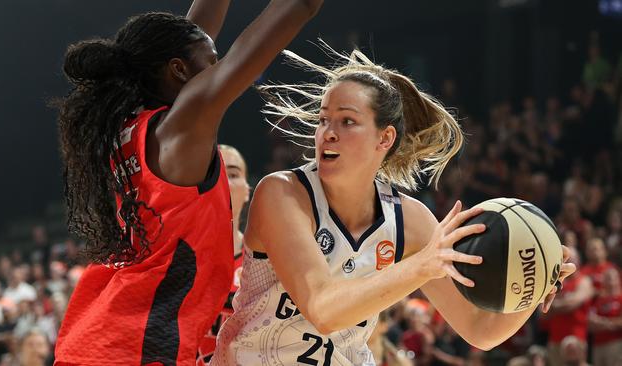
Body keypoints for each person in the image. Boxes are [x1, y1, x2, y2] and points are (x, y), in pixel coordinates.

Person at [211, 45, 575, 365]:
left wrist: (535, 282)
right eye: (323, 120)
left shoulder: (409, 220)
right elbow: (322, 309)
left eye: (347, 120)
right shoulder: (283, 193)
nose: (327, 132)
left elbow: (480, 330)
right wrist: (422, 265)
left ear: (384, 138)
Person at [53, 0, 324, 364]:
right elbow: (300, 6)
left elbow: (192, 37)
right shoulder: (181, 125)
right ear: (178, 71)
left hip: (102, 335)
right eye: (213, 63)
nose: (218, 70)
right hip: (135, 346)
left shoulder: (129, 129)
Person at [197, 144, 250, 365]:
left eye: (233, 174)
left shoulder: (266, 262)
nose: (224, 181)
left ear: (247, 190)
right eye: (214, 172)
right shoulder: (171, 256)